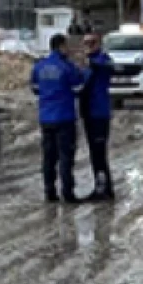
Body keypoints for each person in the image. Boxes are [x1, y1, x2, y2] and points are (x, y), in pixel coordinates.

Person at [31, 33, 85, 203]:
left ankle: (49, 191)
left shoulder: (39, 66)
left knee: (49, 157)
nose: (68, 49)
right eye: (66, 46)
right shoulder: (67, 67)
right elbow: (78, 87)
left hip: (46, 118)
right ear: (61, 47)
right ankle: (67, 192)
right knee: (65, 157)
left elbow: (35, 88)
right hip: (64, 116)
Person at [79, 32, 116, 201]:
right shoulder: (86, 64)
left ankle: (104, 188)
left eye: (92, 43)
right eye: (86, 43)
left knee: (99, 152)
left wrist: (90, 62)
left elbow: (107, 67)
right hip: (88, 113)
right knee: (94, 153)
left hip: (99, 113)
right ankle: (101, 185)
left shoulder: (103, 60)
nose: (88, 46)